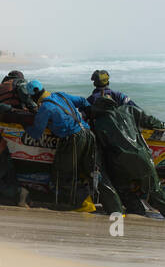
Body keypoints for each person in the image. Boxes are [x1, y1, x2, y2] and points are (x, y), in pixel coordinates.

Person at [23, 79, 119, 213]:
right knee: (93, 172)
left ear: (33, 96)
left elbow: (36, 133)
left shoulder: (45, 108)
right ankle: (115, 208)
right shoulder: (61, 95)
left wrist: (25, 126)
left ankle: (83, 204)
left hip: (73, 139)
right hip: (88, 133)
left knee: (63, 173)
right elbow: (83, 101)